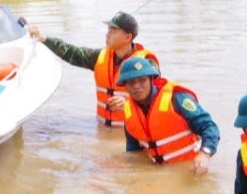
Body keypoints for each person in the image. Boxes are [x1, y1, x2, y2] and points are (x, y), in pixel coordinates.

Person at [28, 11, 160, 127]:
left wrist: (128, 104)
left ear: (128, 37)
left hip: (133, 134)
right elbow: (72, 53)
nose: (107, 35)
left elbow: (157, 98)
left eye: (113, 31)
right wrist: (43, 38)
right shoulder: (100, 57)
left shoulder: (147, 63)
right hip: (104, 129)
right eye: (108, 30)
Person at [115, 56, 219, 176]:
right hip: (159, 174)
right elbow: (134, 154)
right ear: (125, 85)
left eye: (142, 80)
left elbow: (209, 127)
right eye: (131, 82)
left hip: (192, 169)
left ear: (151, 79)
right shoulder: (129, 112)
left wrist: (205, 154)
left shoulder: (176, 98)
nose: (137, 86)